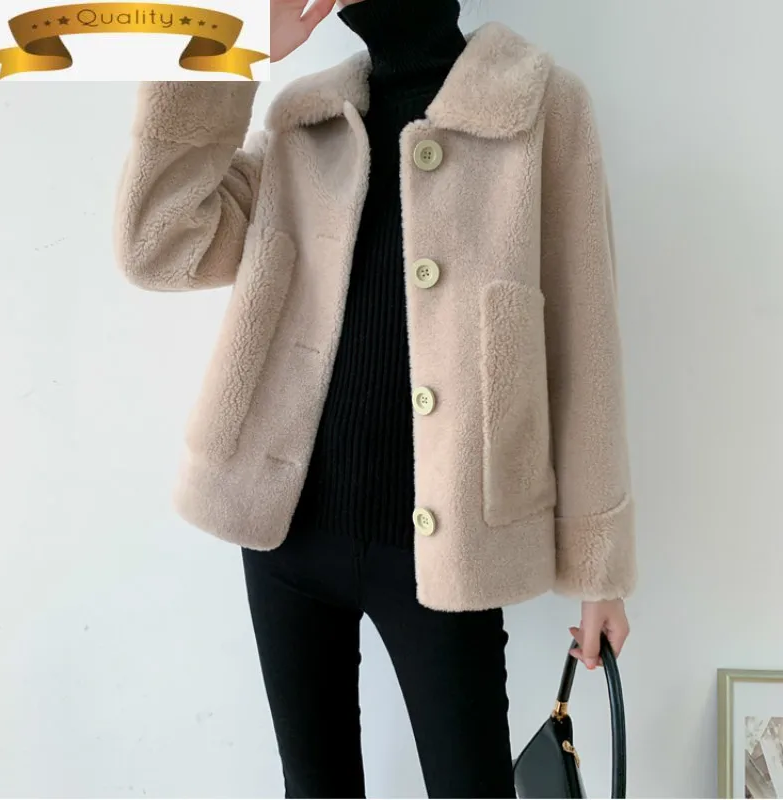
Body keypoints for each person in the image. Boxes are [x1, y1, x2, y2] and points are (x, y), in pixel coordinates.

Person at [114, 0, 636, 796]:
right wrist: (226, 47)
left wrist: (600, 571)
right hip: (285, 535)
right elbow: (158, 244)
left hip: (449, 551)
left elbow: (584, 337)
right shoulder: (307, 119)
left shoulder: (540, 106)